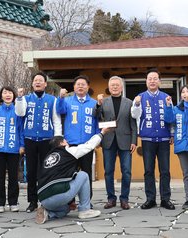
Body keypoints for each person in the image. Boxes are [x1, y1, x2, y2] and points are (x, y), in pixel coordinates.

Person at [35, 127, 111, 224]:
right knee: (83, 175)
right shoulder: (68, 152)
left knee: (66, 209)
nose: (68, 143)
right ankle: (85, 210)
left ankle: (48, 214)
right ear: (62, 143)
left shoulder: (46, 159)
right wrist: (102, 133)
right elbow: (89, 146)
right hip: (59, 194)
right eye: (66, 141)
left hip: (44, 200)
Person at [15, 72, 62, 213]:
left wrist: (58, 137)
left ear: (45, 84)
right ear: (32, 84)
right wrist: (19, 97)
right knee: (31, 173)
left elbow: (56, 119)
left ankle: (45, 200)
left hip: (46, 141)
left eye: (40, 80)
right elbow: (20, 113)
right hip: (30, 140)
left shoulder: (52, 100)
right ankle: (32, 201)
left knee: (46, 172)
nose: (38, 82)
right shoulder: (26, 98)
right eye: (35, 80)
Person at [131, 69, 175, 210]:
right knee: (148, 170)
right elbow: (134, 115)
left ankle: (165, 199)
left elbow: (171, 119)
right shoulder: (140, 97)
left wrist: (172, 134)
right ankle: (150, 199)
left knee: (165, 170)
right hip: (147, 138)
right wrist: (137, 104)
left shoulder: (166, 97)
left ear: (159, 81)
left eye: (155, 78)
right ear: (146, 81)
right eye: (150, 78)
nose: (152, 81)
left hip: (163, 139)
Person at [95, 76, 137, 210]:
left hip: (125, 140)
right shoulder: (104, 102)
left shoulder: (129, 102)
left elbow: (133, 124)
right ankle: (111, 198)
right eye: (112, 85)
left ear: (121, 87)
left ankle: (124, 199)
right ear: (109, 87)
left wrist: (134, 141)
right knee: (108, 171)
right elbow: (96, 117)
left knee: (126, 171)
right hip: (108, 140)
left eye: (117, 85)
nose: (114, 87)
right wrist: (98, 105)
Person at [163, 85, 188, 211]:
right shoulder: (176, 109)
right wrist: (168, 106)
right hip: (181, 145)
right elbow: (169, 119)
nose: (186, 93)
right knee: (186, 174)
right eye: (183, 92)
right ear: (180, 95)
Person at [58, 75, 99, 199]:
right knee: (70, 174)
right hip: (71, 144)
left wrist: (96, 140)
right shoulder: (67, 101)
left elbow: (97, 122)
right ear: (74, 87)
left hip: (87, 145)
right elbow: (60, 110)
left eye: (83, 84)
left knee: (87, 174)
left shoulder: (94, 103)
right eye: (78, 84)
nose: (80, 86)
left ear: (88, 87)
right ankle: (70, 201)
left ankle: (87, 201)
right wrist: (60, 98)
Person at [0, 86, 24, 213]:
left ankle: (13, 202)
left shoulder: (17, 111)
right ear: (1, 96)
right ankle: (0, 203)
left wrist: (22, 145)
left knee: (13, 177)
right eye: (5, 93)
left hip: (14, 149)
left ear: (14, 96)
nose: (7, 95)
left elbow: (21, 130)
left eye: (10, 92)